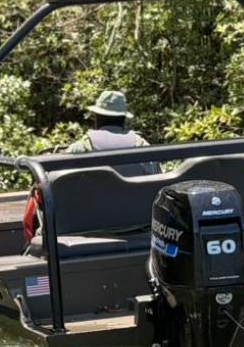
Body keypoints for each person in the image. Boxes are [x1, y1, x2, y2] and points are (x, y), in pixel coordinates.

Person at [22, 90, 159, 244]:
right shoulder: (143, 147)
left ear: (97, 118)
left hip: (87, 230)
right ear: (123, 119)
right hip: (137, 229)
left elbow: (55, 184)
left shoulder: (80, 148)